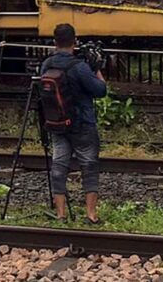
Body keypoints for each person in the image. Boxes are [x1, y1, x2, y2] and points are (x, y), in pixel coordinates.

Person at [40, 23, 107, 223]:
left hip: (57, 123)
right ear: (74, 41)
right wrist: (96, 68)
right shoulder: (79, 67)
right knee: (89, 166)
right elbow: (100, 90)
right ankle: (91, 215)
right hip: (82, 124)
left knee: (59, 166)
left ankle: (61, 214)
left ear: (55, 42)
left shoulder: (47, 65)